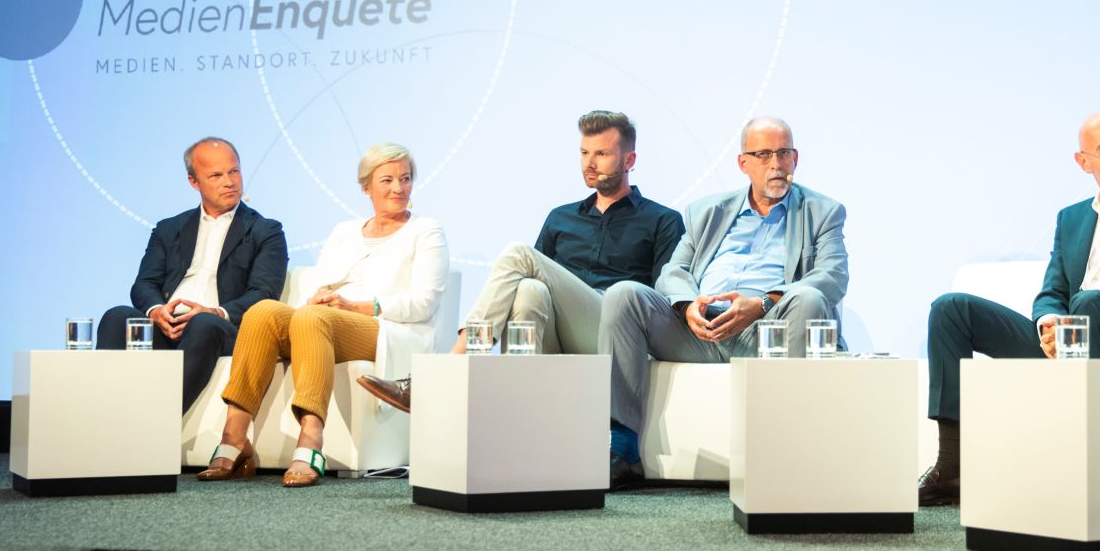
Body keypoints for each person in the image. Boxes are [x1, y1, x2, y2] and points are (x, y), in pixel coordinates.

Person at [357, 112, 683, 473]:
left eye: (602, 154)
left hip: (615, 331)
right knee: (528, 289)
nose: (590, 164)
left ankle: (449, 368)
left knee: (518, 255)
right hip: (560, 334)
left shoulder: (662, 220)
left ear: (630, 160)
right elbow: (535, 285)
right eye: (584, 153)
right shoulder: (561, 218)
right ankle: (519, 428)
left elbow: (659, 301)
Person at [917, 111, 1100, 507]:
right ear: (1083, 162)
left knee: (1088, 301)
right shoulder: (1070, 218)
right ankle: (952, 468)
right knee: (950, 309)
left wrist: (1083, 323)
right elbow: (1051, 290)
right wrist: (1051, 325)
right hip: (1071, 339)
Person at [598, 117, 848, 486]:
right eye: (763, 154)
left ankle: (781, 450)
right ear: (743, 163)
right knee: (624, 295)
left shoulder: (823, 212)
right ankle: (622, 450)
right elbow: (673, 271)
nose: (775, 165)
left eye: (784, 153)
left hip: (768, 329)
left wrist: (762, 303)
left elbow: (832, 276)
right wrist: (686, 306)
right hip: (699, 329)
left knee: (809, 298)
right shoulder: (707, 211)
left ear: (796, 159)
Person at [199, 143, 449, 487]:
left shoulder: (426, 231)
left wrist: (361, 306)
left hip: (387, 327)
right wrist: (315, 299)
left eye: (405, 179)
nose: (398, 188)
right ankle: (236, 438)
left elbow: (424, 302)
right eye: (387, 180)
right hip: (326, 321)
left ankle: (311, 438)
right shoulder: (344, 232)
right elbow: (315, 285)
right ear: (367, 188)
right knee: (263, 313)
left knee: (311, 319)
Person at [96, 137, 286, 412]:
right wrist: (157, 311)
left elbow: (264, 294)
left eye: (234, 171)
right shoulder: (169, 228)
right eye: (216, 175)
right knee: (117, 317)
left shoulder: (265, 231)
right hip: (168, 324)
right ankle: (105, 417)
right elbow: (145, 284)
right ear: (194, 182)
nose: (229, 182)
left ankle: (157, 424)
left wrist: (213, 312)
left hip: (220, 328)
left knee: (203, 324)